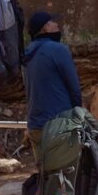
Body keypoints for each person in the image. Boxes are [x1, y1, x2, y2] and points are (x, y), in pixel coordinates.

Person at [23, 10, 82, 157]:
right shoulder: (58, 50)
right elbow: (74, 87)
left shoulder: (27, 53)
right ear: (46, 27)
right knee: (67, 173)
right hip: (58, 125)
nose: (57, 25)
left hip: (35, 126)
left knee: (45, 174)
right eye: (53, 22)